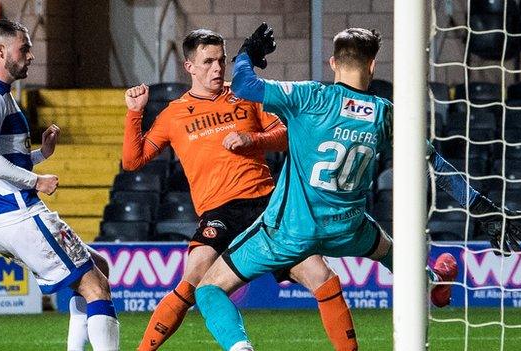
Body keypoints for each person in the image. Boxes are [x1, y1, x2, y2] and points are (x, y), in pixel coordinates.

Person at [194, 24, 521, 351]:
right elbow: (436, 166)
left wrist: (246, 54)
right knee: (391, 252)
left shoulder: (310, 96)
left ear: (333, 63)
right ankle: (432, 281)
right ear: (372, 65)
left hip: (290, 230)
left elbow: (243, 86)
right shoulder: (386, 114)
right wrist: (484, 207)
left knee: (209, 290)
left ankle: (240, 348)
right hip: (348, 228)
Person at [123, 29, 359, 351]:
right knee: (194, 277)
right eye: (208, 62)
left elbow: (286, 134)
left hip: (268, 205)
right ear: (189, 66)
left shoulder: (246, 95)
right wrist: (135, 112)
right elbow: (132, 161)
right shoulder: (173, 115)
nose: (218, 68)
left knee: (321, 275)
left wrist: (254, 140)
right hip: (219, 211)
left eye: (221, 60)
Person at [0, 19, 119, 351]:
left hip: (3, 216)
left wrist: (41, 155)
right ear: (1, 51)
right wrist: (36, 180)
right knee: (96, 287)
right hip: (18, 215)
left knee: (97, 267)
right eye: (25, 47)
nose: (31, 55)